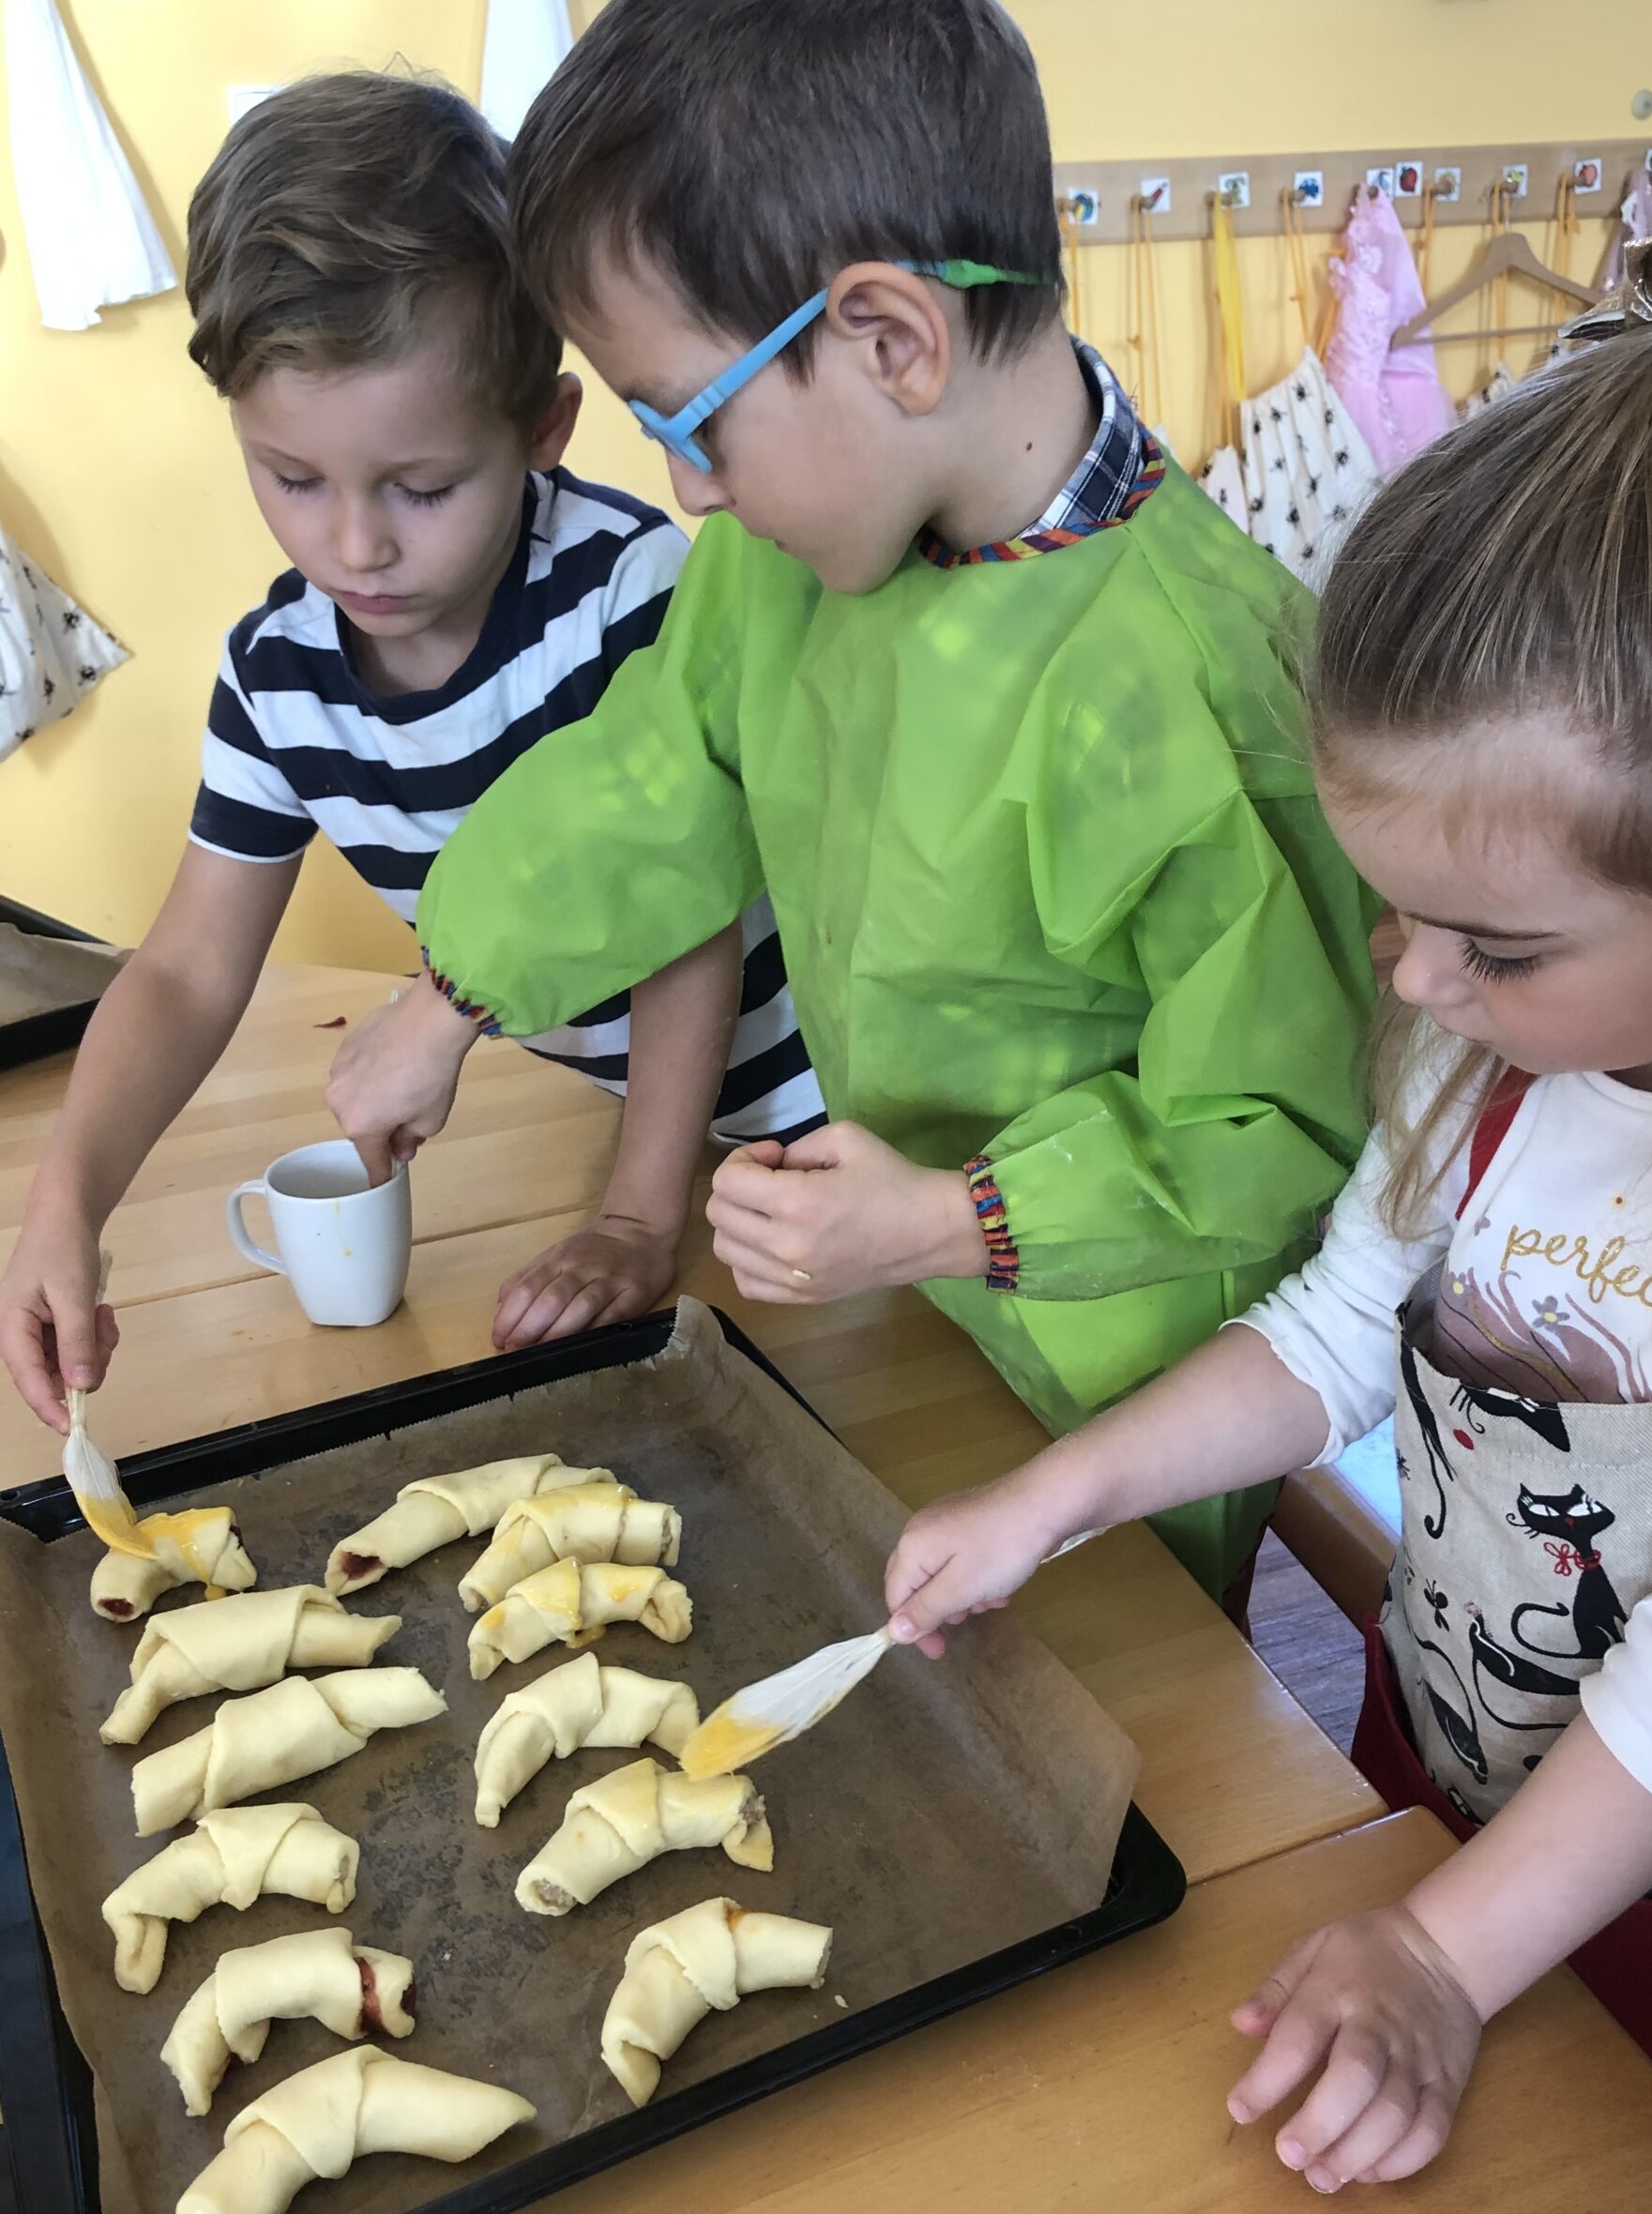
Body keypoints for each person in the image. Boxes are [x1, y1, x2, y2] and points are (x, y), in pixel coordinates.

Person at [883, 238, 1652, 2188]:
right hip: (1424, 1762)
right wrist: (1055, 1496)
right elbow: (1324, 1337)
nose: (1412, 980)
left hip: (1651, 1890)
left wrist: (1447, 1957)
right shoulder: (1477, 1068)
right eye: (1397, 910)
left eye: (1495, 945)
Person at [319, 0, 1378, 1611]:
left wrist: (956, 1217)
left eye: (686, 419)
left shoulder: (1205, 683)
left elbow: (1271, 1127)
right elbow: (663, 766)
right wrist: (446, 997)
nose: (685, 487)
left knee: (1120, 1691)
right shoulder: (787, 560)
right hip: (914, 1291)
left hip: (1130, 1377)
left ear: (888, 339)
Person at [0, 70, 825, 1435]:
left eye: (422, 487)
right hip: (652, 1131)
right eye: (292, 478)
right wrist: (67, 1205)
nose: (355, 546)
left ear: (542, 428)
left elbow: (685, 914)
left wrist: (637, 1215)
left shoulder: (626, 594)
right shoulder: (277, 678)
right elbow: (189, 970)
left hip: (810, 1116)